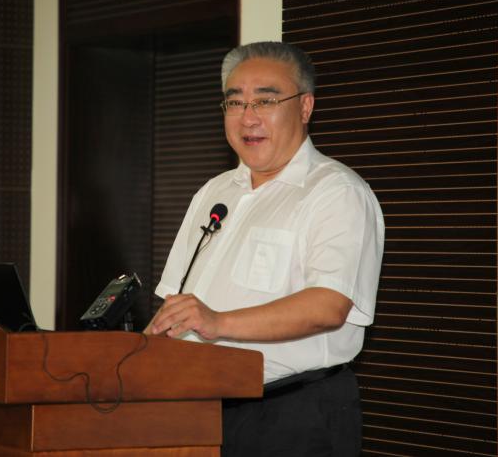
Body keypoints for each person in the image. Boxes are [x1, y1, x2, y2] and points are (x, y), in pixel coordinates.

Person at [146, 41, 384, 456]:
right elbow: (176, 304)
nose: (248, 116)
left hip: (293, 414)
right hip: (199, 412)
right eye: (235, 102)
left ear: (305, 107)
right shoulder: (214, 192)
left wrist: (217, 321)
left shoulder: (336, 192)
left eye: (265, 100)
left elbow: (328, 306)